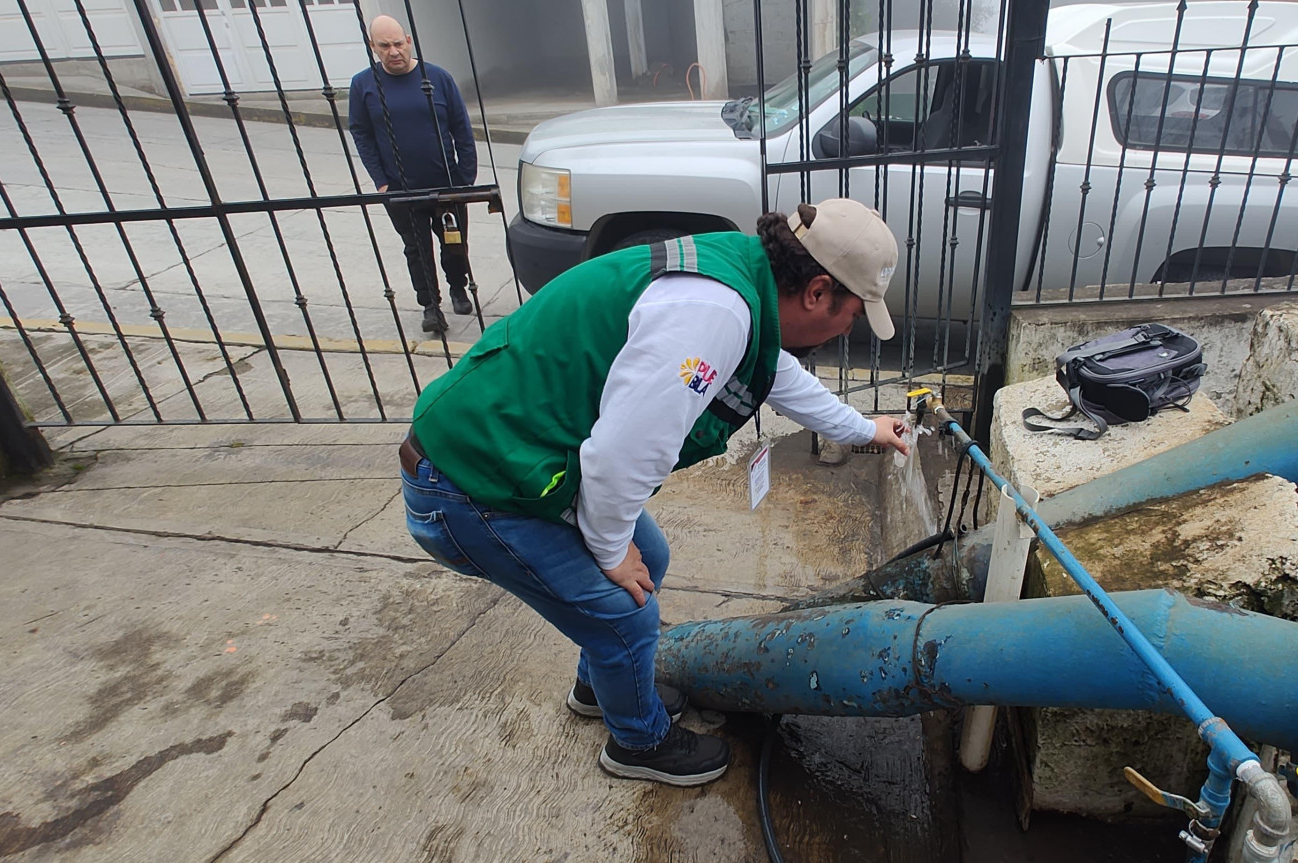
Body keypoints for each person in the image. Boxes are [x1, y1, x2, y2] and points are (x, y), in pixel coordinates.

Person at [398, 200, 911, 786]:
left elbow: (775, 375)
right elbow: (621, 457)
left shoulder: (746, 281)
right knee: (624, 615)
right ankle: (638, 744)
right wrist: (611, 552)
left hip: (521, 454)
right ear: (818, 291)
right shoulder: (710, 317)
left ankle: (601, 686)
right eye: (853, 314)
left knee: (651, 562)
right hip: (467, 482)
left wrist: (863, 428)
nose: (850, 329)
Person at [348, 14, 480, 335]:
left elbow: (462, 127)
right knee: (416, 249)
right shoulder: (363, 85)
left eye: (398, 43)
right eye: (384, 46)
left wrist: (464, 177)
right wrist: (380, 180)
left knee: (453, 242)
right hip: (400, 188)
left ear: (408, 41)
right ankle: (430, 306)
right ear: (373, 47)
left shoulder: (437, 78)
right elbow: (361, 133)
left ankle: (457, 287)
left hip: (446, 184)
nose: (393, 51)